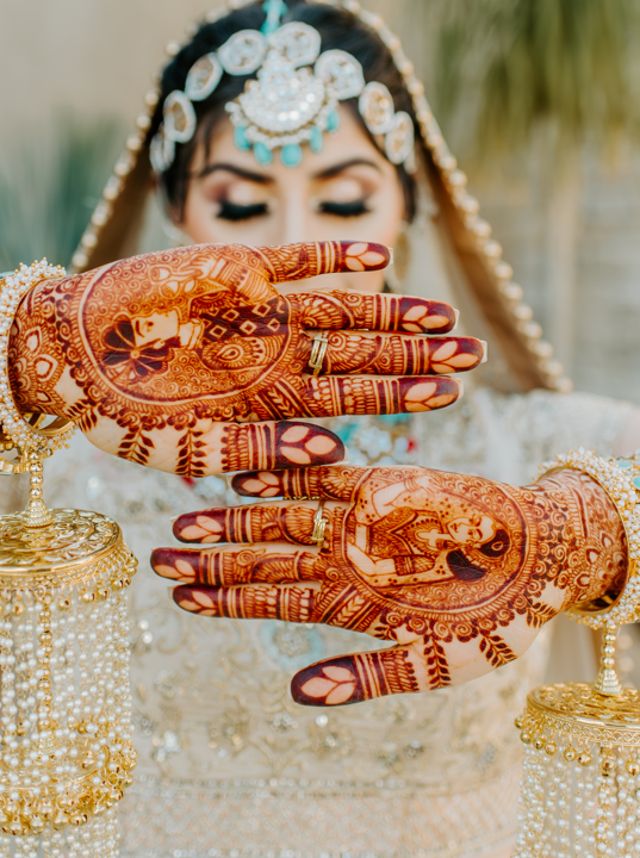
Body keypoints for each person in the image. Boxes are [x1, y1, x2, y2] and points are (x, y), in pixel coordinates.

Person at [6, 1, 638, 855]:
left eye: (344, 200)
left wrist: (585, 535)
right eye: (238, 210)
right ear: (175, 221)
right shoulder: (55, 481)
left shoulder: (517, 457)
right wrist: (29, 347)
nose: (293, 250)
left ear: (406, 214)